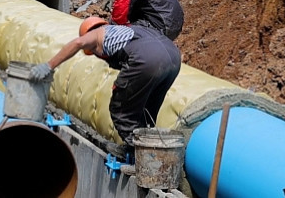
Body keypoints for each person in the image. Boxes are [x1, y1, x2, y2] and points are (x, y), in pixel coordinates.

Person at [29, 15, 181, 159]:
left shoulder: (96, 34)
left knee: (121, 109)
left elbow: (77, 43)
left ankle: (140, 154)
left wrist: (49, 66)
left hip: (147, 60)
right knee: (147, 110)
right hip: (173, 59)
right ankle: (152, 155)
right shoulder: (125, 30)